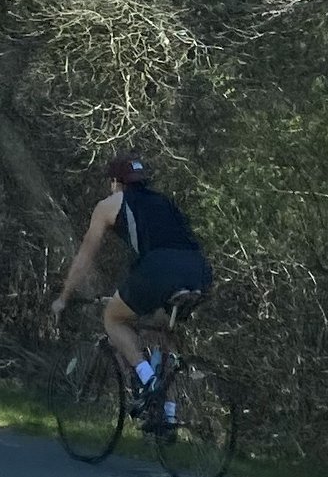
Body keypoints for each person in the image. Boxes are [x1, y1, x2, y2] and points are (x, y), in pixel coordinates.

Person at [50, 151, 213, 417]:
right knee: (160, 331)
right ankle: (168, 414)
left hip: (160, 268)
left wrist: (64, 297)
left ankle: (148, 381)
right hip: (199, 270)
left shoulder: (111, 204)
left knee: (113, 318)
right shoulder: (165, 202)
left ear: (116, 182)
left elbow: (85, 256)